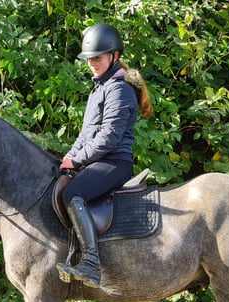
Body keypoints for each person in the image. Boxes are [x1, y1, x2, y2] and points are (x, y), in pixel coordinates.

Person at [57, 23, 153, 288]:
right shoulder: (99, 88)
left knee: (71, 195)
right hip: (98, 158)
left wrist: (78, 160)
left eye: (97, 58)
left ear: (115, 56)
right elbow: (86, 134)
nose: (92, 63)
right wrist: (69, 157)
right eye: (89, 58)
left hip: (114, 162)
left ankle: (90, 264)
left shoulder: (119, 89)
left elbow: (109, 137)